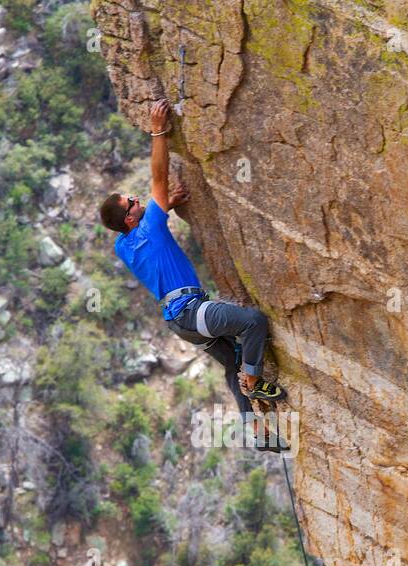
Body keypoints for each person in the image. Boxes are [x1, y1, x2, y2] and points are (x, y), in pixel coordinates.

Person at [98, 98, 286, 450]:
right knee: (253, 322)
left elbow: (152, 209)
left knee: (231, 364)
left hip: (180, 323)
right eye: (132, 202)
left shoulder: (123, 246)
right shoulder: (150, 226)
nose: (138, 200)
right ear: (129, 218)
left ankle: (258, 433)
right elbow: (159, 175)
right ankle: (255, 381)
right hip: (192, 311)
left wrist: (165, 203)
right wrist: (158, 131)